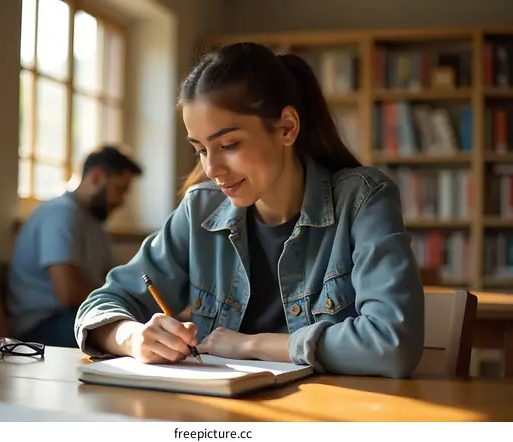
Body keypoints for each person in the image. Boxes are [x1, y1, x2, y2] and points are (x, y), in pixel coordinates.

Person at [74, 43, 425, 378]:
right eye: (200, 149)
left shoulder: (363, 200)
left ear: (286, 127)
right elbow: (101, 305)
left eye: (228, 144)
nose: (211, 169)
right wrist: (133, 338)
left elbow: (392, 343)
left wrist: (250, 345)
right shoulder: (200, 210)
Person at [7, 145, 142, 348]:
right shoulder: (60, 215)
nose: (121, 201)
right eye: (119, 190)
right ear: (96, 178)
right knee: (126, 336)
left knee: (134, 327)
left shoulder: (94, 224)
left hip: (73, 315)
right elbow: (68, 293)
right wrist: (125, 303)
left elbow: (109, 278)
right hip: (41, 326)